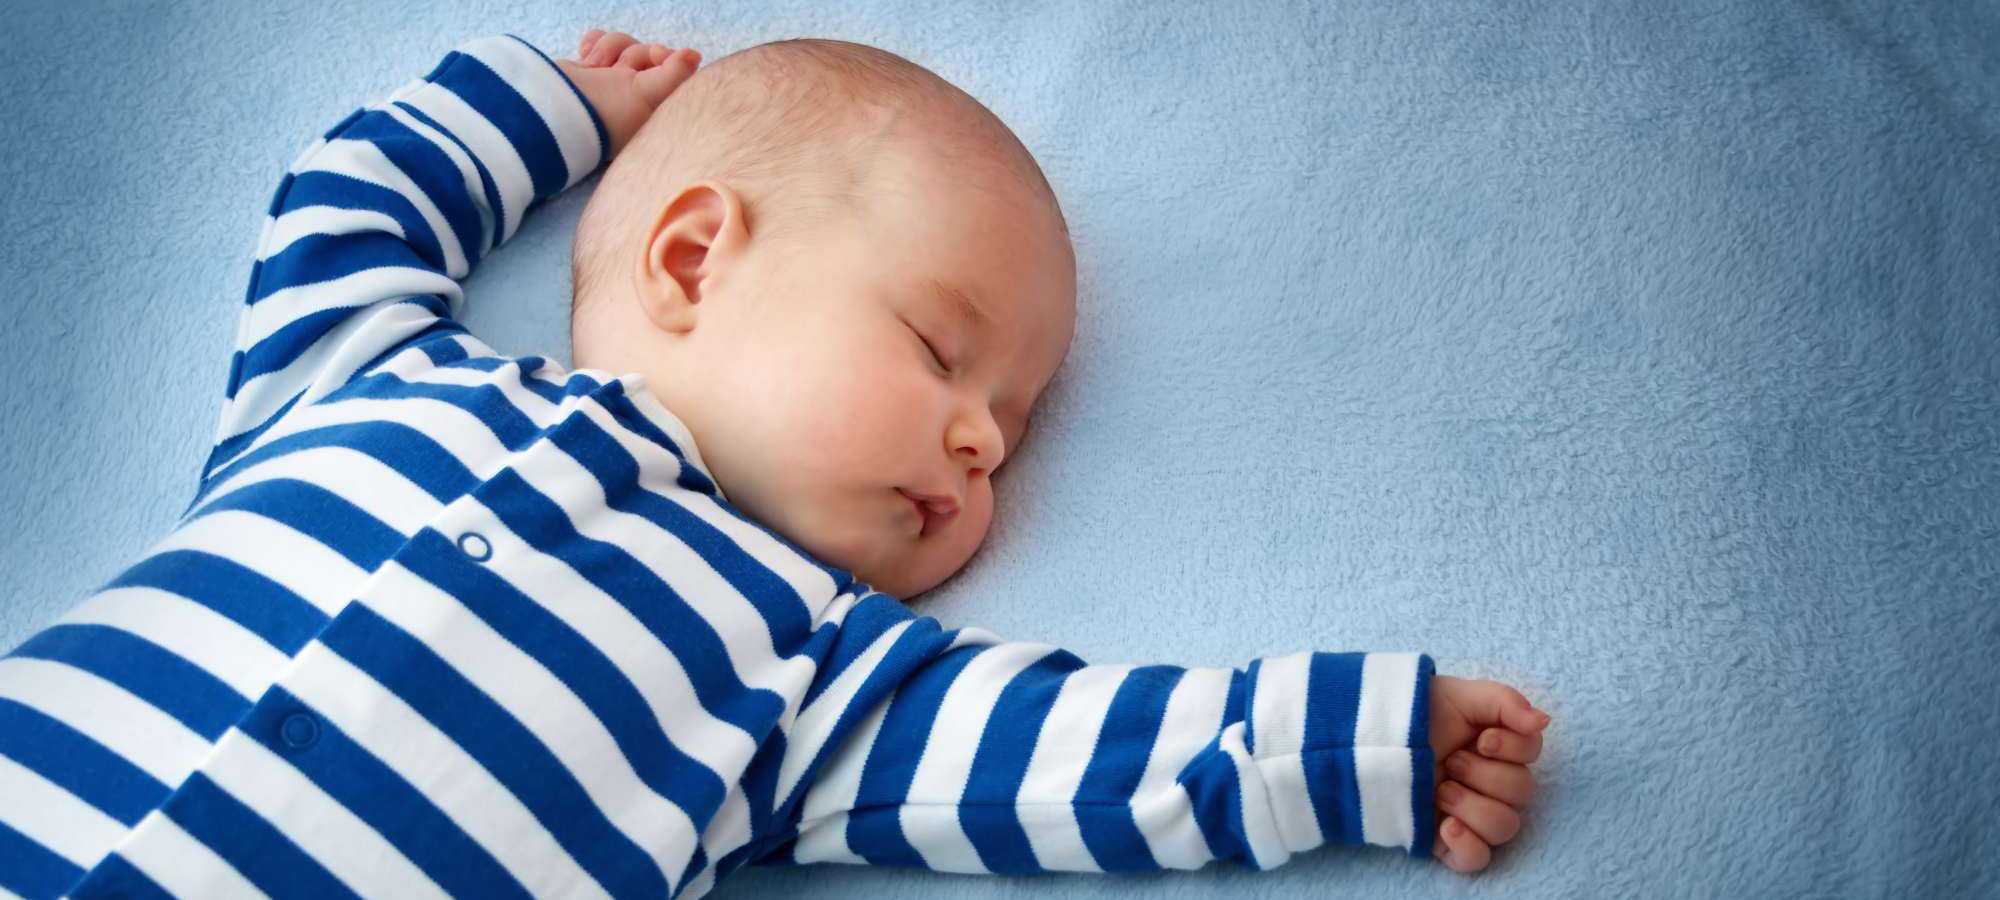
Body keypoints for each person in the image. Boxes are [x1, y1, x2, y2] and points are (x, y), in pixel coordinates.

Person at [0, 27, 1550, 899]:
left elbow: (1076, 754)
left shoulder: (807, 673)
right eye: (946, 354)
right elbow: (349, 203)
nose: (982, 439)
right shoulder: (367, 377)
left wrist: (1360, 739)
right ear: (690, 260)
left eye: (1010, 425)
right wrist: (555, 110)